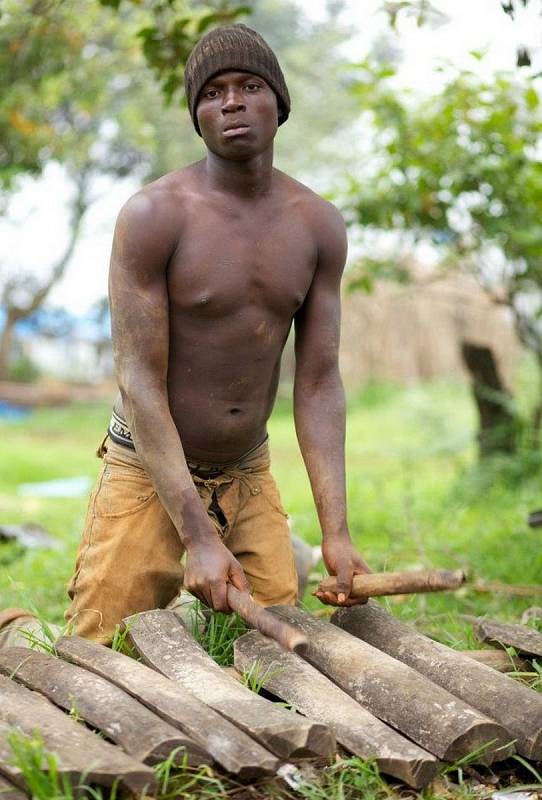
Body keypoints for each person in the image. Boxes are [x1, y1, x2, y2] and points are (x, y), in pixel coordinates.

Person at [57, 24, 370, 644]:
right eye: (212, 92)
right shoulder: (154, 215)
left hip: (246, 468)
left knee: (282, 647)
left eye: (249, 86)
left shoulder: (318, 225)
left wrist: (337, 532)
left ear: (278, 105)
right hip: (147, 467)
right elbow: (139, 381)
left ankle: (274, 561)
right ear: (196, 116)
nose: (230, 102)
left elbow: (317, 382)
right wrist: (197, 536)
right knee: (97, 650)